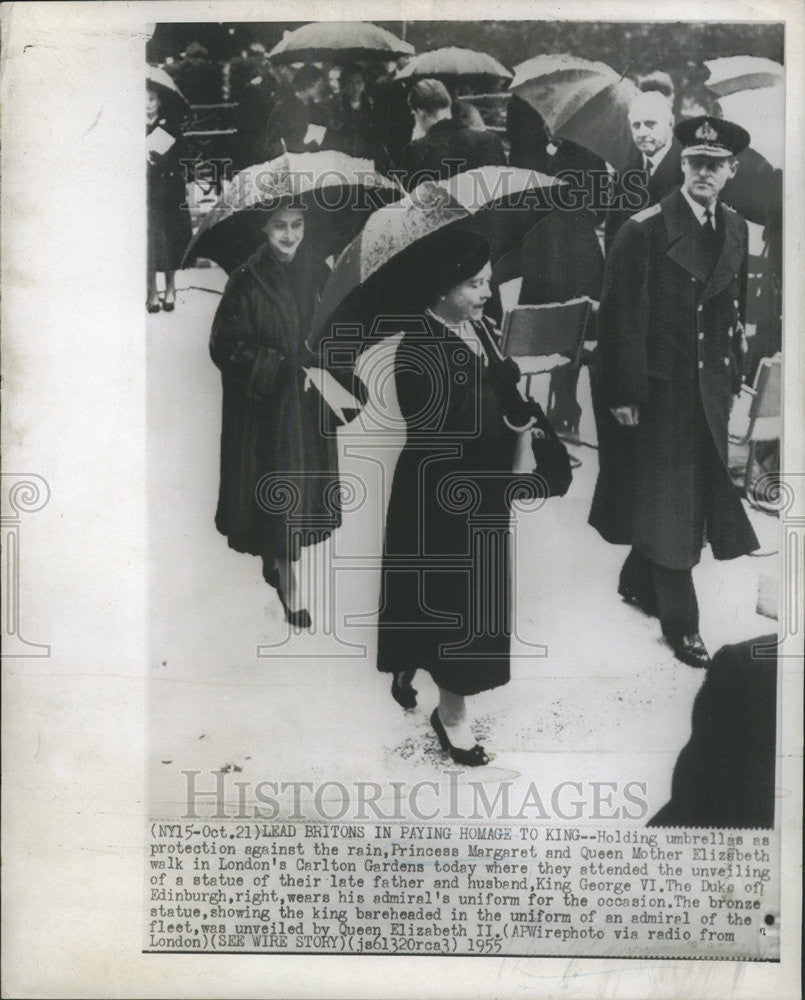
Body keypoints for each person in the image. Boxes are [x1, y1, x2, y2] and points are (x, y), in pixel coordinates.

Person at [589, 115, 760, 668]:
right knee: (675, 503)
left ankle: (638, 580)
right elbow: (619, 322)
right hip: (658, 390)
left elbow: (731, 310)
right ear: (682, 165)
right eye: (695, 162)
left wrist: (734, 376)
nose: (704, 172)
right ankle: (682, 626)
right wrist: (624, 393)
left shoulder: (735, 228)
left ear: (731, 171)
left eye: (715, 165)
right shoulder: (644, 229)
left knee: (687, 492)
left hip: (708, 387)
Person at [377, 230, 538, 765]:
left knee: (463, 601)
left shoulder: (481, 330)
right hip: (439, 497)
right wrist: (499, 401)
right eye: (474, 284)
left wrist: (509, 389)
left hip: (482, 490)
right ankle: (451, 716)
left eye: (488, 282)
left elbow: (501, 397)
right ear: (442, 289)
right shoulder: (416, 346)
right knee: (451, 602)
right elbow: (437, 425)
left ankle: (411, 662)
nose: (486, 293)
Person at [209, 203, 359, 627]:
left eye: (297, 225)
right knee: (276, 488)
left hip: (308, 400)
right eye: (280, 227)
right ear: (264, 228)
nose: (290, 235)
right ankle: (286, 574)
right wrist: (275, 367)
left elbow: (337, 326)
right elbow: (224, 344)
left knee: (298, 489)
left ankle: (279, 559)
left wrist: (333, 358)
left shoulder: (318, 272)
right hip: (265, 409)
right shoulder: (244, 279)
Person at [604, 88, 683, 251]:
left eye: (650, 124)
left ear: (670, 123)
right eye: (636, 125)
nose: (642, 133)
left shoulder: (687, 169)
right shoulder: (624, 174)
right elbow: (612, 238)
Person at [400, 79, 507, 189]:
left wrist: (418, 142)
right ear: (448, 105)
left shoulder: (415, 151)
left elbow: (413, 198)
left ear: (420, 112)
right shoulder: (489, 140)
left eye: (414, 115)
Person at [146, 84, 192, 313]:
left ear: (159, 102)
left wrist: (162, 159)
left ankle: (171, 288)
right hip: (146, 190)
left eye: (152, 99)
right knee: (149, 239)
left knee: (169, 238)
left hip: (169, 189)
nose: (147, 104)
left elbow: (185, 157)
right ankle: (152, 291)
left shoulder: (171, 127)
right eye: (143, 100)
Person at [266, 65, 331, 160]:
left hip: (315, 161)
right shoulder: (283, 108)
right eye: (319, 84)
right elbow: (273, 141)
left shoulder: (319, 110)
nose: (322, 88)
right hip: (291, 162)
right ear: (310, 84)